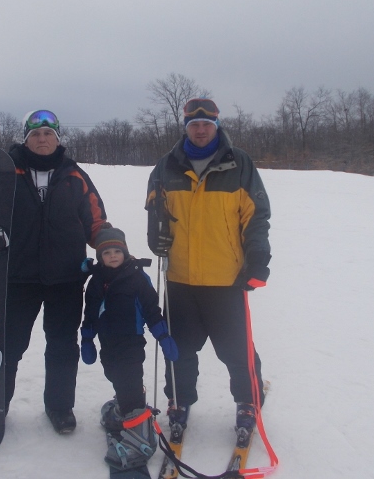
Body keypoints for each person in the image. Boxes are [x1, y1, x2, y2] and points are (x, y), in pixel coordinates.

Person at [0, 109, 108, 434]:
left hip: (66, 279)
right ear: (26, 138)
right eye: (35, 134)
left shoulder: (73, 175)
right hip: (17, 278)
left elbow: (95, 219)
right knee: (9, 347)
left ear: (57, 138)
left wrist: (111, 247)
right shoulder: (6, 170)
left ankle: (59, 407)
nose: (42, 139)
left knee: (63, 346)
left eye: (48, 134)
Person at [145, 98, 272, 437]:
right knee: (179, 348)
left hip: (226, 278)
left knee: (236, 348)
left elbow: (256, 217)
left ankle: (248, 400)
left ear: (216, 125)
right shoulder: (166, 165)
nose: (200, 130)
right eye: (194, 125)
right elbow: (154, 210)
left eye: (207, 124)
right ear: (185, 126)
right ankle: (179, 400)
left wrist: (257, 259)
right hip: (180, 277)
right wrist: (153, 238)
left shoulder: (238, 163)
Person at [80, 227, 178, 471]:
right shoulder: (96, 282)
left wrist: (163, 336)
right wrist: (87, 339)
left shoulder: (137, 278)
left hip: (131, 343)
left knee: (129, 381)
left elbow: (151, 312)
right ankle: (124, 407)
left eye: (117, 251)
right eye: (107, 253)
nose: (112, 256)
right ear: (100, 257)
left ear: (125, 253)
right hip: (107, 343)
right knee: (114, 375)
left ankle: (139, 435)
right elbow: (90, 313)